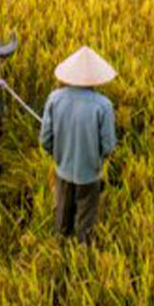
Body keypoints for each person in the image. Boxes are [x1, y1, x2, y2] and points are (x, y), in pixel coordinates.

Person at [39, 46, 119, 241]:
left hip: (63, 168)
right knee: (86, 215)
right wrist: (97, 157)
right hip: (90, 172)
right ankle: (82, 252)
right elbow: (109, 145)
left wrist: (58, 154)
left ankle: (60, 246)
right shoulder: (103, 105)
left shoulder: (54, 99)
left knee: (62, 212)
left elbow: (45, 139)